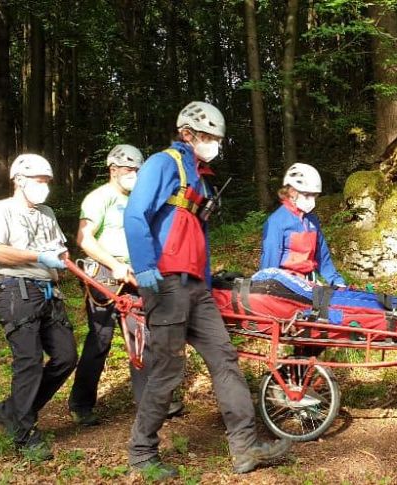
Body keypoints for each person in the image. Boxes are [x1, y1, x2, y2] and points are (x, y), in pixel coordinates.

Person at [123, 101, 292, 478]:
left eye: (217, 138)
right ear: (188, 134)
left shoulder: (199, 177)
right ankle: (141, 452)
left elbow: (195, 232)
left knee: (225, 359)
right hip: (165, 285)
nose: (214, 143)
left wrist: (206, 275)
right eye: (208, 137)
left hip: (197, 287)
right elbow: (135, 214)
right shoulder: (163, 163)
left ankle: (245, 448)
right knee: (167, 370)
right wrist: (145, 266)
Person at [67, 145, 186, 426]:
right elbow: (84, 240)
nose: (133, 175)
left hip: (137, 274)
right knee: (100, 340)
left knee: (142, 338)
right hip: (106, 275)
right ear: (113, 170)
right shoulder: (99, 198)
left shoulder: (140, 200)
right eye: (129, 169)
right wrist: (115, 265)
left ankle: (149, 402)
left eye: (137, 170)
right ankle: (81, 404)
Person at [0, 154, 77, 461]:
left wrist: (65, 260)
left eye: (46, 182)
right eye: (38, 181)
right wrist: (36, 257)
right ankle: (23, 433)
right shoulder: (0, 210)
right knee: (29, 361)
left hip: (50, 293)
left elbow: (61, 251)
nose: (43, 187)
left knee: (66, 357)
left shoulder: (47, 213)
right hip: (17, 292)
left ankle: (11, 410)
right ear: (19, 180)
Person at [259, 163, 346, 287]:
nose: (312, 200)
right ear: (292, 191)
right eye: (307, 195)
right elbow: (269, 261)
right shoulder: (276, 221)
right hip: (286, 284)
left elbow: (322, 256)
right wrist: (265, 286)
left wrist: (337, 282)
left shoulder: (312, 220)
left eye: (314, 195)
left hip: (309, 282)